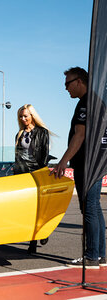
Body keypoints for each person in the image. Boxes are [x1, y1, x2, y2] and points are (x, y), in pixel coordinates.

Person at [51, 67, 106, 269]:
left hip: (88, 163)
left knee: (89, 207)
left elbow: (79, 135)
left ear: (79, 81)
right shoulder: (97, 100)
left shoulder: (86, 103)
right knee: (94, 207)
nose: (65, 88)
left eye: (67, 83)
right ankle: (100, 255)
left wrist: (63, 160)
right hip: (97, 162)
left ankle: (91, 256)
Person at [14, 104, 50, 253]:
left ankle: (41, 234)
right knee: (27, 210)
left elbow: (45, 156)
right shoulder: (19, 134)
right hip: (23, 175)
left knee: (38, 209)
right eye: (21, 116)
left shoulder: (42, 132)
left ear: (32, 116)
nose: (23, 119)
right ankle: (33, 241)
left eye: (26, 116)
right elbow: (17, 156)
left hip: (36, 174)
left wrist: (41, 173)